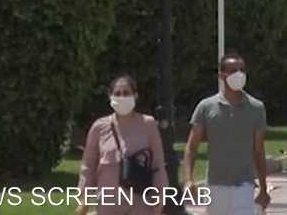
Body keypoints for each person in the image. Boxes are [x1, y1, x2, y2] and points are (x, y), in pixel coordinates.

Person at [183, 54, 269, 215]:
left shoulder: (256, 108)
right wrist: (188, 179)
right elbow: (191, 147)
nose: (239, 74)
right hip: (215, 185)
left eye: (242, 70)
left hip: (244, 185)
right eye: (233, 70)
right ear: (222, 75)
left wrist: (263, 189)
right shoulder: (206, 107)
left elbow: (259, 151)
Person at [78, 75, 168, 215]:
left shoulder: (148, 124)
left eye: (126, 93)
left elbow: (158, 165)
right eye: (117, 93)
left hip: (140, 202)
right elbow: (88, 166)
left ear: (135, 95)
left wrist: (160, 197)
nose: (122, 97)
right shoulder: (99, 127)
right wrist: (84, 199)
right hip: (108, 202)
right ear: (110, 96)